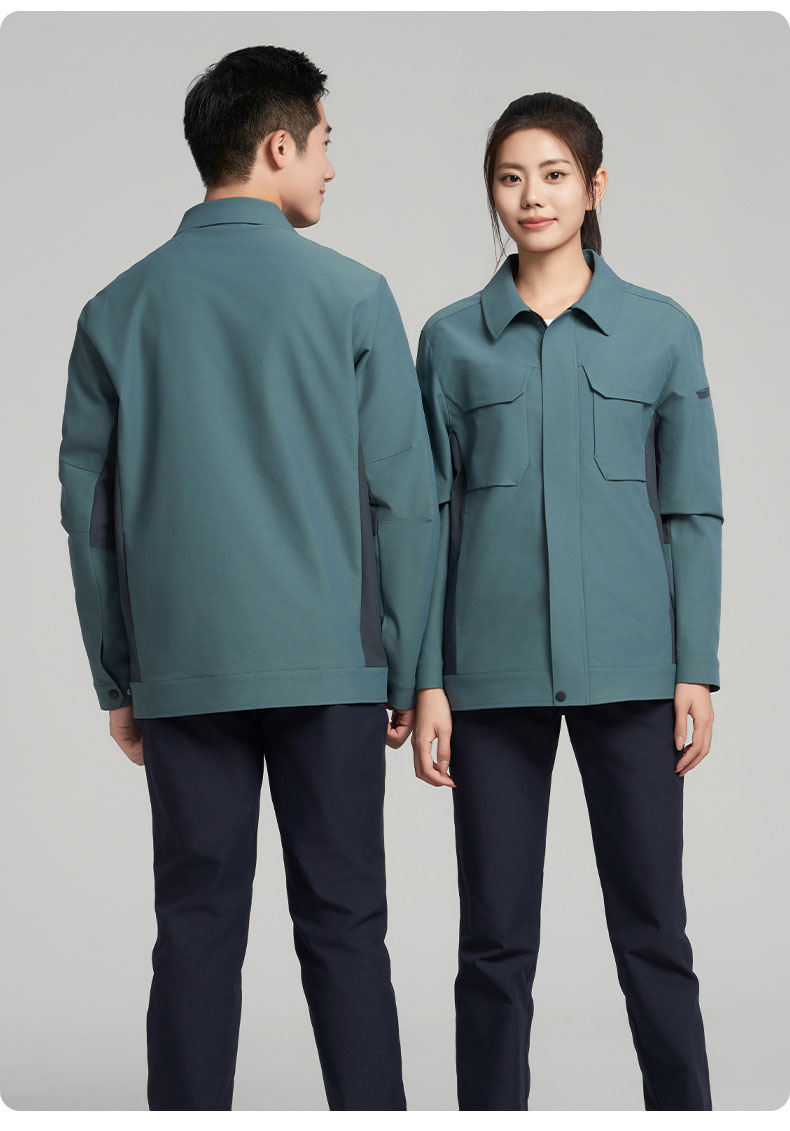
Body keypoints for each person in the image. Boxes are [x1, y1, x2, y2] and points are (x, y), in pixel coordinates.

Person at [57, 45, 439, 1111]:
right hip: (333, 670)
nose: (330, 168)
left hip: (184, 672)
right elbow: (405, 499)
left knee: (193, 927)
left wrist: (119, 676)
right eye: (323, 145)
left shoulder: (116, 309)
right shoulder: (354, 296)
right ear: (278, 146)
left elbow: (89, 519)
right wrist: (407, 662)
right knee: (346, 927)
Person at [409, 92, 723, 1111]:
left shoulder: (662, 332)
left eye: (552, 175)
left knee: (653, 932)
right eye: (510, 177)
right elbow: (426, 520)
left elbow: (692, 511)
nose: (530, 196)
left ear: (594, 187)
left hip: (632, 674)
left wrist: (694, 667)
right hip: (488, 679)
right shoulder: (450, 341)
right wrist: (426, 681)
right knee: (493, 942)